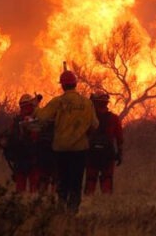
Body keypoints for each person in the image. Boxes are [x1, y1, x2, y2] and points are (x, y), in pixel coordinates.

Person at [35, 70, 98, 212]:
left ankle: (61, 206)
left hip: (61, 149)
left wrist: (36, 106)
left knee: (62, 180)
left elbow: (41, 117)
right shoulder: (87, 103)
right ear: (75, 84)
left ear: (62, 86)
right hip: (80, 149)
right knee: (76, 180)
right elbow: (95, 124)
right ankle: (73, 209)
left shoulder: (58, 101)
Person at [0, 93, 45, 192]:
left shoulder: (18, 120)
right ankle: (30, 200)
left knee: (22, 187)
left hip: (22, 159)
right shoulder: (33, 120)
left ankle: (21, 200)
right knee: (32, 187)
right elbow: (36, 137)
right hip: (31, 159)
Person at [84, 90, 124, 195]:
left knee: (91, 179)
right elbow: (119, 138)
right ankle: (106, 201)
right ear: (106, 103)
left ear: (94, 102)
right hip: (108, 154)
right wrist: (120, 153)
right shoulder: (114, 118)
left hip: (92, 153)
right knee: (107, 178)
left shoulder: (88, 118)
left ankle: (88, 201)